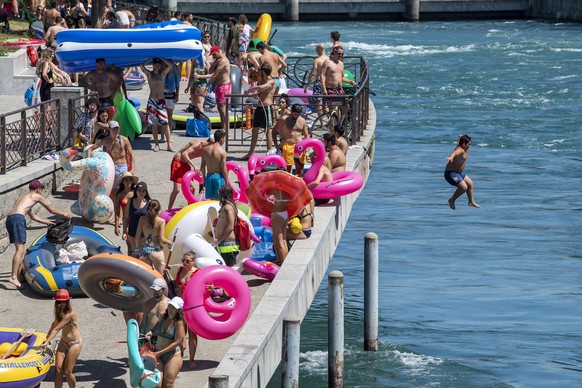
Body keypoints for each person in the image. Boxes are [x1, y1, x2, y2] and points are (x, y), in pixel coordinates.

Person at [6, 180, 72, 288]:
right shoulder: (37, 196)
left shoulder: (23, 197)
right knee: (20, 249)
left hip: (10, 219)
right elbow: (51, 210)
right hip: (18, 219)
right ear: (38, 189)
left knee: (19, 248)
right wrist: (64, 213)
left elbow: (33, 217)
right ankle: (13, 277)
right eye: (41, 189)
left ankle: (18, 276)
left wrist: (47, 222)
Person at [40, 289, 83, 388]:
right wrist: (46, 338)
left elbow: (57, 328)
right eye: (59, 301)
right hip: (63, 342)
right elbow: (54, 325)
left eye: (63, 301)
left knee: (67, 371)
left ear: (68, 302)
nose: (61, 304)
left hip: (75, 343)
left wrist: (47, 342)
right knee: (58, 369)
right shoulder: (59, 312)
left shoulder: (71, 313)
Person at [90, 120, 135, 201]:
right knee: (113, 190)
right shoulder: (106, 141)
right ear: (109, 129)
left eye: (117, 128)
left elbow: (131, 154)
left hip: (123, 166)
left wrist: (132, 169)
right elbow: (91, 148)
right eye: (114, 129)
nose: (116, 130)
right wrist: (89, 160)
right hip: (112, 167)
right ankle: (114, 209)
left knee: (124, 189)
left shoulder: (124, 140)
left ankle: (124, 208)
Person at [148, 297, 186, 388]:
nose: (171, 309)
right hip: (158, 353)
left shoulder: (178, 322)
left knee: (168, 384)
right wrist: (150, 333)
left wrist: (160, 352)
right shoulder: (162, 317)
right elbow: (154, 329)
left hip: (172, 355)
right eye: (170, 306)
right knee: (157, 383)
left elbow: (177, 342)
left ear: (179, 310)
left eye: (174, 308)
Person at [243, 63, 277, 158]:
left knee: (268, 131)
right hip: (259, 107)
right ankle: (250, 153)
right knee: (255, 130)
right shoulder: (261, 81)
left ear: (264, 72)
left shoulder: (271, 82)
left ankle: (269, 152)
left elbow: (262, 88)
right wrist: (249, 94)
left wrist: (250, 89)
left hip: (267, 108)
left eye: (261, 71)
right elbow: (258, 93)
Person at [168, 138, 213, 209]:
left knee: (192, 188)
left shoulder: (205, 151)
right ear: (210, 142)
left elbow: (203, 166)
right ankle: (169, 209)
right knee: (177, 189)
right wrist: (194, 166)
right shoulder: (198, 144)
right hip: (178, 161)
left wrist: (202, 184)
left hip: (186, 164)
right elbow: (184, 154)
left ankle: (189, 208)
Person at [141, 58, 174, 152]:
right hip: (152, 101)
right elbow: (141, 66)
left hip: (161, 101)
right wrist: (149, 60)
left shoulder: (162, 73)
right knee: (153, 124)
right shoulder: (149, 74)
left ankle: (169, 144)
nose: (157, 66)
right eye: (155, 64)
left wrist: (161, 59)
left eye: (158, 64)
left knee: (165, 123)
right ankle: (156, 144)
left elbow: (170, 65)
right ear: (153, 65)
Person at [175, 251, 199, 368]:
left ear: (193, 262)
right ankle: (180, 359)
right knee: (181, 334)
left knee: (192, 334)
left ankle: (191, 360)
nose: (184, 263)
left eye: (187, 261)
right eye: (183, 260)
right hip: (180, 307)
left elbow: (205, 287)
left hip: (192, 307)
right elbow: (176, 286)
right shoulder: (180, 271)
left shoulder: (198, 273)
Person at [135, 199, 172, 274]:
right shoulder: (161, 221)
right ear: (158, 210)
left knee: (147, 277)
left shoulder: (142, 219)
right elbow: (162, 239)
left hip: (145, 250)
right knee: (160, 278)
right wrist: (170, 242)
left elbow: (137, 238)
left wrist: (139, 250)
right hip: (156, 251)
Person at [200, 46, 231, 133]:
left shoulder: (224, 61)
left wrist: (207, 86)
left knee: (223, 109)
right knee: (220, 109)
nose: (214, 56)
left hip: (225, 86)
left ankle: (227, 129)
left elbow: (215, 74)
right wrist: (214, 62)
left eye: (214, 54)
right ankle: (223, 128)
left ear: (218, 51)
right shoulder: (218, 61)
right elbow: (210, 71)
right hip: (219, 86)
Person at [444, 134, 480, 210]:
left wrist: (460, 138)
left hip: (459, 173)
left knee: (470, 183)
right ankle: (451, 200)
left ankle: (471, 202)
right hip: (451, 173)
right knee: (464, 187)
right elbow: (455, 153)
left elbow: (458, 144)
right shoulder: (460, 150)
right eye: (469, 144)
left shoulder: (462, 147)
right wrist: (451, 157)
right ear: (464, 144)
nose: (469, 146)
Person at [272, 104, 309, 175]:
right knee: (287, 170)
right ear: (291, 112)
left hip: (299, 146)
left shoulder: (302, 120)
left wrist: (307, 147)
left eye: (298, 114)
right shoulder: (284, 119)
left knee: (300, 169)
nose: (296, 116)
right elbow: (274, 131)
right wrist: (276, 145)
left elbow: (306, 135)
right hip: (288, 145)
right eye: (295, 114)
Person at [212, 185, 239, 267]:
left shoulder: (228, 208)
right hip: (224, 243)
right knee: (226, 268)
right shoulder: (226, 207)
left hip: (228, 244)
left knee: (231, 269)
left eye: (219, 192)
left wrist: (219, 239)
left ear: (223, 194)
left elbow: (230, 226)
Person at [200, 129, 227, 200]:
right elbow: (223, 168)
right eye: (224, 139)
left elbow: (202, 166)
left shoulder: (205, 150)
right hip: (218, 177)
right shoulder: (222, 152)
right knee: (219, 200)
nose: (224, 141)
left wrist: (203, 180)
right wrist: (227, 182)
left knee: (210, 201)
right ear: (221, 139)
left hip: (209, 177)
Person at [123, 181, 150, 250]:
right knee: (134, 251)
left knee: (142, 254)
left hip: (144, 234)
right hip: (132, 232)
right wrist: (124, 231)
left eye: (143, 191)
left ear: (146, 192)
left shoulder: (149, 202)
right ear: (136, 191)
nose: (141, 193)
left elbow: (154, 219)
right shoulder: (130, 201)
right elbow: (126, 217)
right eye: (139, 190)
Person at [113, 171, 138, 247]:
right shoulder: (120, 194)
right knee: (129, 244)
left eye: (130, 179)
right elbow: (117, 211)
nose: (128, 182)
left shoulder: (136, 192)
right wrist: (116, 225)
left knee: (136, 244)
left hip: (136, 220)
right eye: (126, 180)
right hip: (126, 221)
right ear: (122, 182)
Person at [304, 44, 328, 115]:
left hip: (319, 83)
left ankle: (321, 123)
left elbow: (312, 73)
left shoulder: (317, 60)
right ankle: (330, 121)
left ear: (320, 50)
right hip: (327, 83)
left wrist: (307, 85)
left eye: (316, 50)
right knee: (326, 103)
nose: (316, 52)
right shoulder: (329, 59)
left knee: (318, 104)